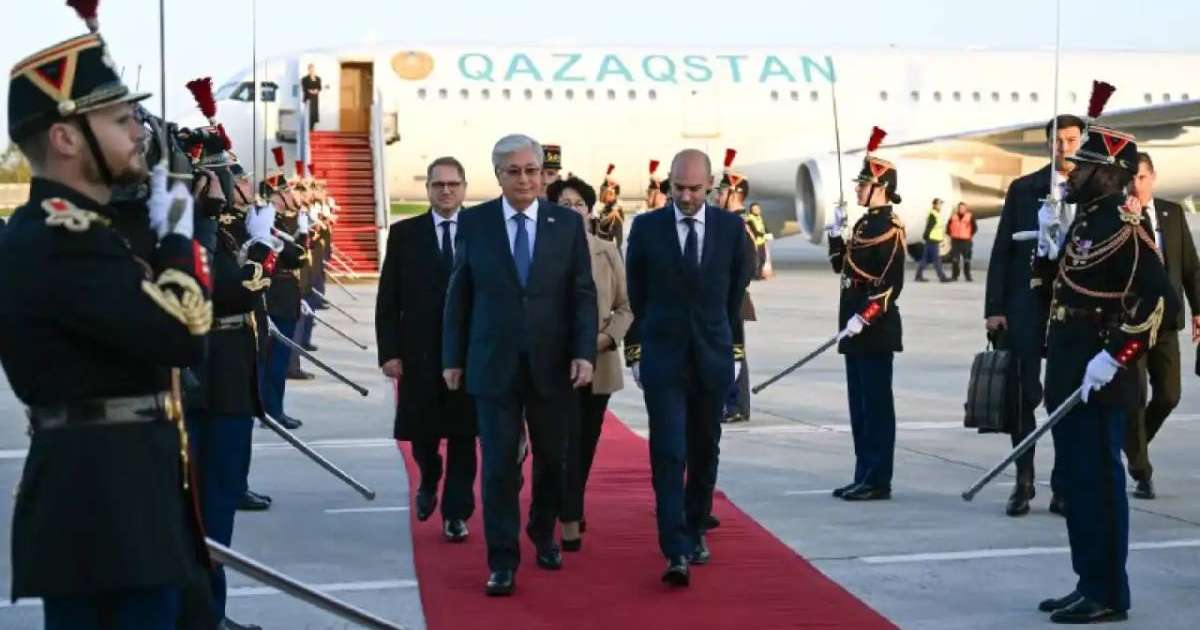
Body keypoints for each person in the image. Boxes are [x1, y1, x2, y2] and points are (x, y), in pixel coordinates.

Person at [0, 10, 214, 626]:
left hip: (125, 508)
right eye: (120, 121)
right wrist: (178, 237)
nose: (138, 135)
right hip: (105, 515)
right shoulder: (60, 236)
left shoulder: (84, 231)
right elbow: (180, 332)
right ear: (67, 138)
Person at [1030, 82, 1177, 624]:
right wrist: (1046, 254)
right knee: (1074, 481)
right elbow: (1063, 290)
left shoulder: (1127, 229)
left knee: (1099, 483)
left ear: (1108, 175)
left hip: (1102, 373)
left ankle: (1109, 593)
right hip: (1071, 368)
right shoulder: (1087, 223)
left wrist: (1117, 354)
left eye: (1082, 165)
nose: (1069, 170)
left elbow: (1160, 300)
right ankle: (1086, 580)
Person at [442, 134, 597, 597]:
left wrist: (583, 352)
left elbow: (582, 294)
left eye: (531, 170)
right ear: (499, 176)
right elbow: (460, 293)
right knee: (498, 468)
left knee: (554, 460)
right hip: (493, 364)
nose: (525, 179)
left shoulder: (565, 225)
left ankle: (542, 530)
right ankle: (502, 560)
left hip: (553, 367)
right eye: (514, 172)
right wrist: (452, 357)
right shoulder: (476, 223)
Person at [624, 149, 751, 586]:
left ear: (710, 185)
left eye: (695, 189)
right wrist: (640, 347)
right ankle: (674, 548)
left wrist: (730, 349)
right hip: (664, 357)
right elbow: (635, 291)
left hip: (712, 357)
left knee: (703, 449)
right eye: (678, 188)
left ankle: (696, 527)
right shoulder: (646, 227)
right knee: (668, 450)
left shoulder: (732, 229)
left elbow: (736, 293)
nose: (686, 196)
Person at [180, 77, 280, 630]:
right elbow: (237, 287)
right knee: (209, 513)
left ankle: (210, 612)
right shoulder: (196, 233)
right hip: (212, 385)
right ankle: (205, 616)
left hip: (230, 383)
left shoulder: (218, 227)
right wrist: (261, 248)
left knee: (218, 510)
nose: (240, 184)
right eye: (229, 174)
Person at [985, 113, 1084, 517]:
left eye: (1072, 139)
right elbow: (1003, 249)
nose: (1064, 147)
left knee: (1064, 399)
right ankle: (1023, 481)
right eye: (1057, 140)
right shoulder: (1025, 188)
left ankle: (1063, 485)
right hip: (1025, 303)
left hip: (1073, 306)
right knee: (1023, 395)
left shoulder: (1094, 189)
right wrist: (994, 308)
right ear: (1047, 143)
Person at [377, 157, 478, 542]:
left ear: (464, 187)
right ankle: (429, 474)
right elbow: (388, 299)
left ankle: (456, 513)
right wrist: (389, 352)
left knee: (466, 436)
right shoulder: (405, 234)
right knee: (423, 434)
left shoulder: (482, 231)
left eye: (453, 184)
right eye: (439, 184)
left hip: (469, 354)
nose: (446, 190)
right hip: (419, 354)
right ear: (428, 189)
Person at [546, 175, 632, 552]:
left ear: (589, 208)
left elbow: (626, 306)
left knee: (586, 442)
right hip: (557, 364)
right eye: (563, 205)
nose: (572, 210)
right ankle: (568, 514)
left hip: (599, 360)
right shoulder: (543, 250)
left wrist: (605, 337)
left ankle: (571, 505)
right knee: (562, 442)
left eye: (578, 204)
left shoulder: (606, 250)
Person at [825, 127, 906, 502]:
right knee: (858, 407)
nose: (857, 189)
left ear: (881, 187)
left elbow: (889, 286)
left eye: (863, 184)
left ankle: (878, 478)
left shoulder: (890, 228)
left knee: (875, 406)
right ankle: (863, 472)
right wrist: (835, 235)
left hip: (873, 328)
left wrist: (865, 317)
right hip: (852, 325)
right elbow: (842, 267)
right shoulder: (862, 225)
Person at [1123, 152, 1200, 500]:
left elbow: (1190, 268)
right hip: (1133, 323)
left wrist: (1199, 310)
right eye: (1130, 179)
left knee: (1169, 395)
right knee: (1136, 397)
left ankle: (1133, 444)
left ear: (1152, 177)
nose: (1135, 185)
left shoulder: (1172, 213)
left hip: (1168, 322)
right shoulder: (1117, 217)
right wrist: (1130, 222)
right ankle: (1142, 471)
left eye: (1141, 178)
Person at [260, 148, 309, 430]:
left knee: (277, 361)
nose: (291, 196)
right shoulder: (269, 224)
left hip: (285, 296)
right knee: (274, 362)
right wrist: (301, 233)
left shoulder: (277, 222)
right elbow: (295, 256)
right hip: (276, 299)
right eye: (286, 192)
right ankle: (272, 411)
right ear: (276, 196)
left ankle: (274, 409)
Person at [913, 198, 950, 282]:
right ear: (935, 205)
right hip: (932, 240)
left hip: (932, 240)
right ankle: (942, 277)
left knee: (925, 259)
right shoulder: (933, 215)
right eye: (939, 204)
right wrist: (926, 237)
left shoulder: (936, 214)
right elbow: (929, 227)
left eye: (941, 204)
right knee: (936, 259)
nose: (940, 206)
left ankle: (918, 276)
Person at [946, 202, 978, 281]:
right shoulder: (953, 216)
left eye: (963, 208)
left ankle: (968, 276)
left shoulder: (970, 216)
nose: (961, 209)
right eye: (960, 208)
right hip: (955, 241)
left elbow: (975, 228)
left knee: (967, 259)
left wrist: (969, 235)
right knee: (955, 259)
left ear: (966, 209)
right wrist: (951, 235)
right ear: (958, 208)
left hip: (966, 241)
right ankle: (954, 276)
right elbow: (948, 227)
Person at [595, 164, 624, 247]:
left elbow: (620, 220)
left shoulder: (617, 204)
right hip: (605, 233)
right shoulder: (603, 205)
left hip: (613, 232)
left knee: (616, 248)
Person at [745, 202, 769, 280]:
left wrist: (767, 235)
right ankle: (754, 275)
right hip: (755, 242)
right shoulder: (750, 219)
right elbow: (753, 230)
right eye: (755, 209)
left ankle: (758, 274)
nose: (757, 210)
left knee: (763, 259)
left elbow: (763, 228)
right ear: (751, 210)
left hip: (761, 242)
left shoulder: (759, 218)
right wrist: (763, 235)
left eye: (758, 208)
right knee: (756, 260)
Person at [301, 64, 321, 131]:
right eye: (310, 69)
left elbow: (319, 87)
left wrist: (316, 90)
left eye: (313, 69)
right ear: (308, 70)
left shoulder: (318, 78)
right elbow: (304, 88)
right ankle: (308, 129)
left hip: (315, 99)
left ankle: (312, 129)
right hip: (308, 98)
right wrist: (310, 90)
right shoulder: (304, 79)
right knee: (308, 114)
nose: (312, 70)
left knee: (314, 114)